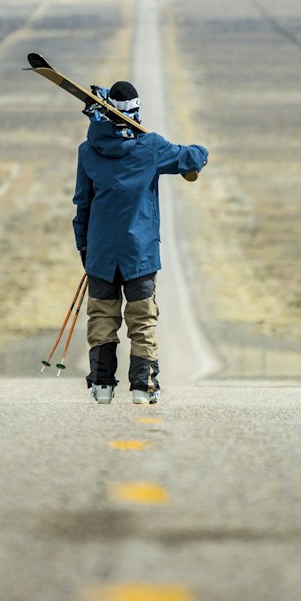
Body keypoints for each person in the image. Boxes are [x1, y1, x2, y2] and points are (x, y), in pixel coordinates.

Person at [72, 79, 208, 404]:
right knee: (142, 319)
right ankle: (142, 387)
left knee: (102, 318)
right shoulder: (151, 148)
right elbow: (192, 157)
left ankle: (102, 386)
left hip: (100, 254)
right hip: (140, 255)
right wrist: (200, 156)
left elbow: (83, 204)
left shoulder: (88, 151)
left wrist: (84, 248)